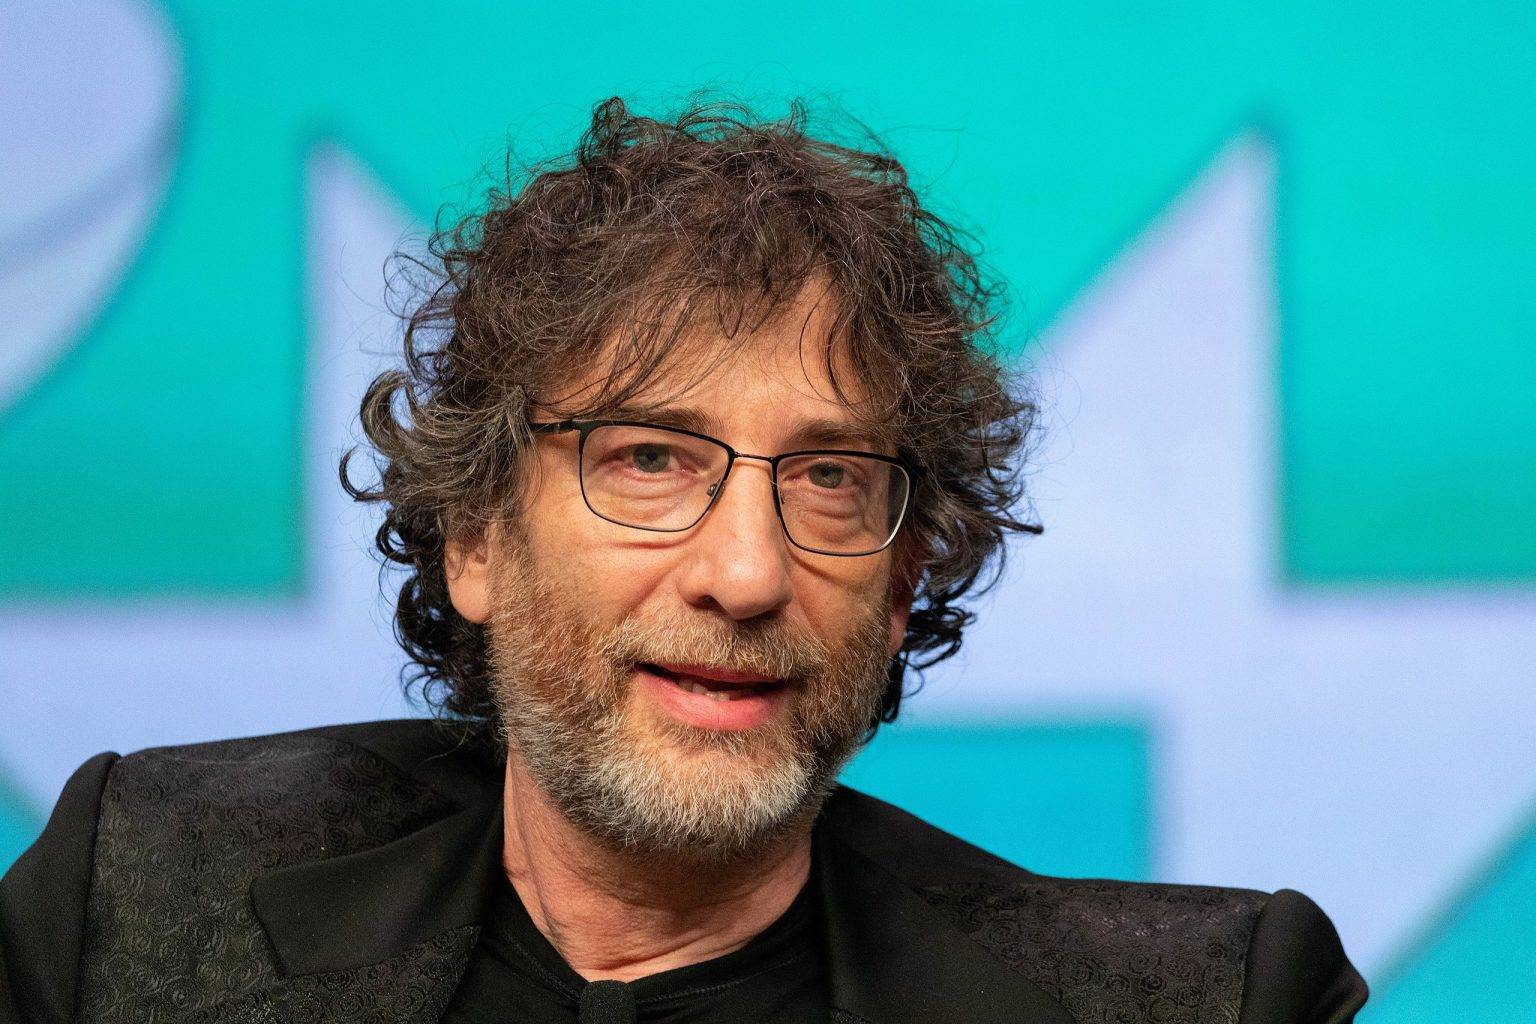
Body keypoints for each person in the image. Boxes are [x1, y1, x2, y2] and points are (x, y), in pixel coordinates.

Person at [0, 95, 1368, 1024]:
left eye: (830, 478)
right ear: (476, 536)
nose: (746, 573)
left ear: (904, 585)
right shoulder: (139, 893)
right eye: (650, 459)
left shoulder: (1215, 1000)